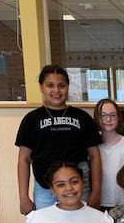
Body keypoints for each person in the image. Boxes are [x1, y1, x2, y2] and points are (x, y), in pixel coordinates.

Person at [16, 64, 102, 214]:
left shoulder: (82, 117)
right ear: (41, 87)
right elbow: (24, 159)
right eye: (50, 85)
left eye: (61, 86)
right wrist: (23, 197)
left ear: (68, 87)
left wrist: (96, 191)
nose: (56, 90)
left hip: (78, 187)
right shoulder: (31, 119)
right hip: (44, 188)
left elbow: (95, 156)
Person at [93, 98, 124, 210]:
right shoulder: (93, 146)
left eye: (112, 115)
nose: (108, 119)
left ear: (118, 117)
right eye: (103, 115)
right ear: (97, 117)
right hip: (99, 202)